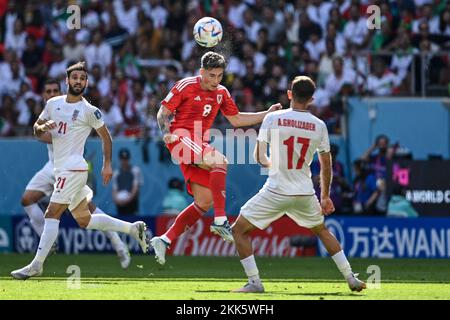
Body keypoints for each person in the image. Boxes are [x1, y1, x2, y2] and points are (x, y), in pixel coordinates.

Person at [11, 62, 149, 280]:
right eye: (75, 77)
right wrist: (41, 128)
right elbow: (37, 129)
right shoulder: (53, 104)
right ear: (67, 81)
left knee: (52, 213)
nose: (78, 81)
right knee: (84, 220)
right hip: (61, 168)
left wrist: (107, 164)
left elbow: (106, 136)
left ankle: (36, 265)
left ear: (86, 82)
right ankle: (133, 229)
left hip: (73, 168)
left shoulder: (89, 111)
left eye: (82, 79)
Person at [231, 76, 366, 293]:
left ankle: (255, 283)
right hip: (304, 192)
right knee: (322, 231)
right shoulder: (319, 126)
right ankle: (351, 278)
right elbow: (326, 166)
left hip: (276, 190)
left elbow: (259, 156)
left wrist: (272, 164)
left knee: (239, 230)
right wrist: (325, 196)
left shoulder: (273, 118)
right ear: (311, 99)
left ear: (289, 94)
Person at [150, 51, 281, 265]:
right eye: (211, 75)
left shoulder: (221, 92)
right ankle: (221, 221)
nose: (216, 80)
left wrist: (266, 113)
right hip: (181, 137)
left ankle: (164, 240)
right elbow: (162, 113)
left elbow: (237, 119)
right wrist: (166, 134)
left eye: (220, 76)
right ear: (202, 72)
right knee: (220, 161)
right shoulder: (185, 85)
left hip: (198, 143)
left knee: (204, 201)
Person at [112, 148, 143, 215]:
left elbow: (136, 187)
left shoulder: (135, 170)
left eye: (126, 159)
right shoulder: (116, 173)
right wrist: (117, 200)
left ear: (129, 159)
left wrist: (129, 199)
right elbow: (114, 189)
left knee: (133, 221)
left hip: (132, 202)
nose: (124, 161)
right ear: (120, 159)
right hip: (120, 202)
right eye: (123, 159)